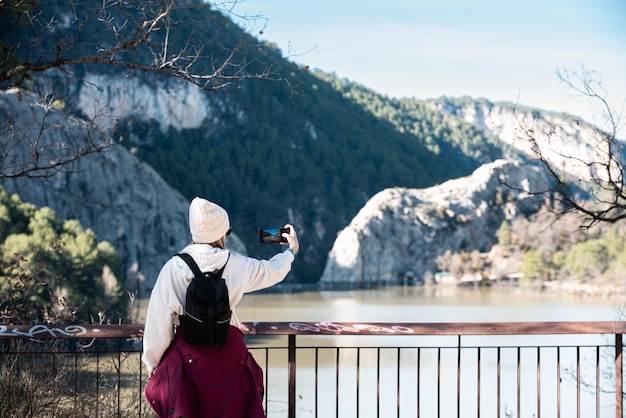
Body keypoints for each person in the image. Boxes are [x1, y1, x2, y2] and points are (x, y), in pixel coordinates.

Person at [142, 197, 299, 418]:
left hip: (191, 361)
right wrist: (290, 251)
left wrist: (152, 361)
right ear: (221, 233)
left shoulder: (174, 268)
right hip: (229, 359)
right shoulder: (237, 264)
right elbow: (272, 271)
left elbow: (159, 320)